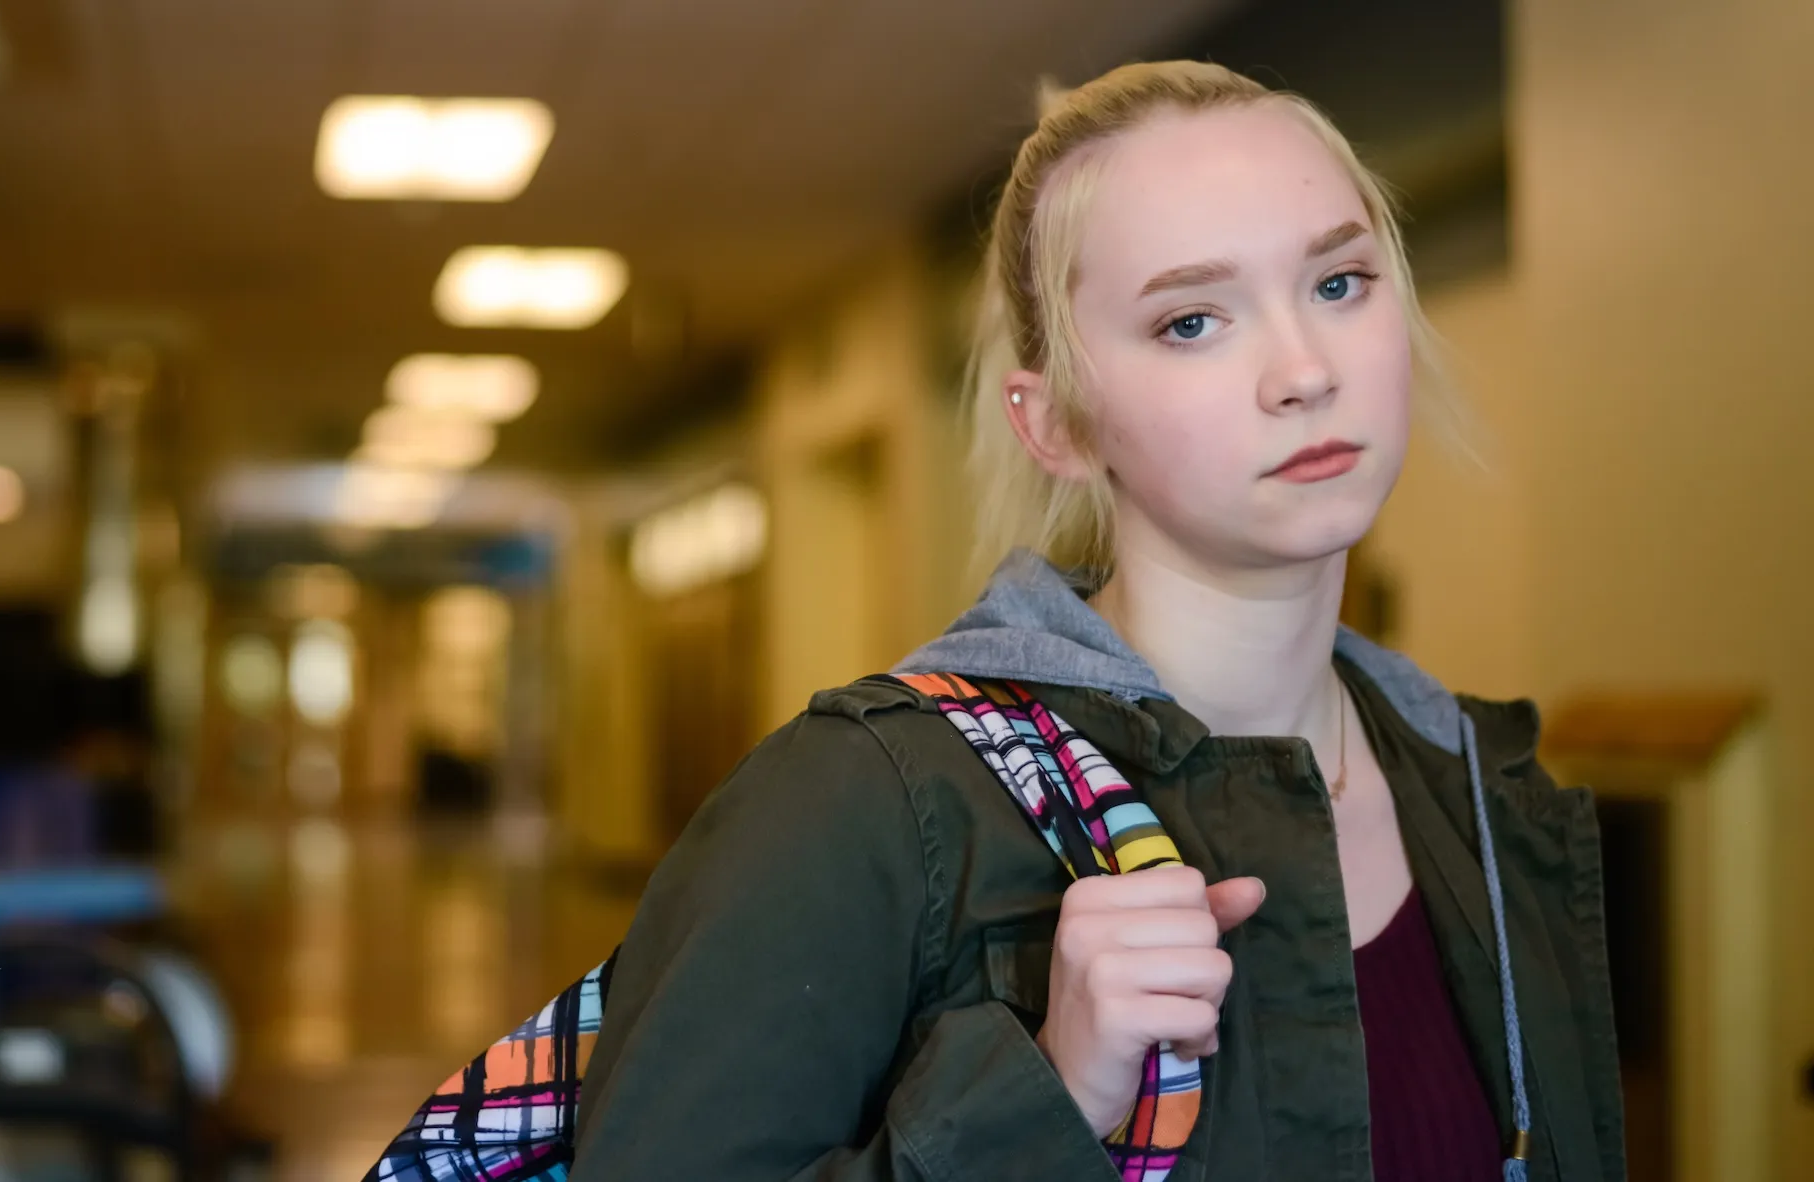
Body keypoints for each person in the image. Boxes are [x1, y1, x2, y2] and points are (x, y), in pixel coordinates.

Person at [571, 61, 1625, 1181]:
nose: (1305, 371)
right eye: (1191, 322)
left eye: (1338, 283)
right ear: (1058, 425)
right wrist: (1048, 1091)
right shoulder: (871, 806)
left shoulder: (1478, 787)